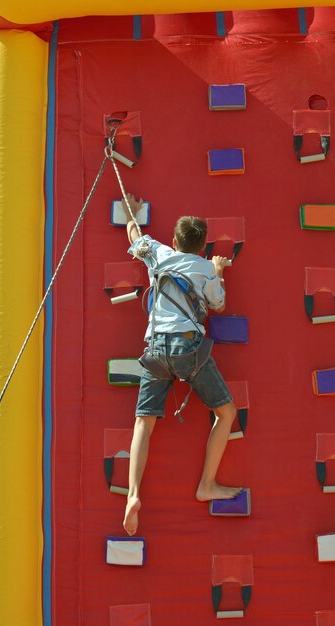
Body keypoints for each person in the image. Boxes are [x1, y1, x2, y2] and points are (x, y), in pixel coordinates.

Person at [122, 193, 241, 536]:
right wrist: (217, 270)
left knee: (143, 423)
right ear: (203, 247)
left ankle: (132, 494)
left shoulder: (158, 254)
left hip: (156, 348)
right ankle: (207, 484)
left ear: (174, 242)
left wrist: (132, 211)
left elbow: (133, 235)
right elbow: (217, 304)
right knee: (226, 413)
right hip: (188, 350)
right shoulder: (205, 266)